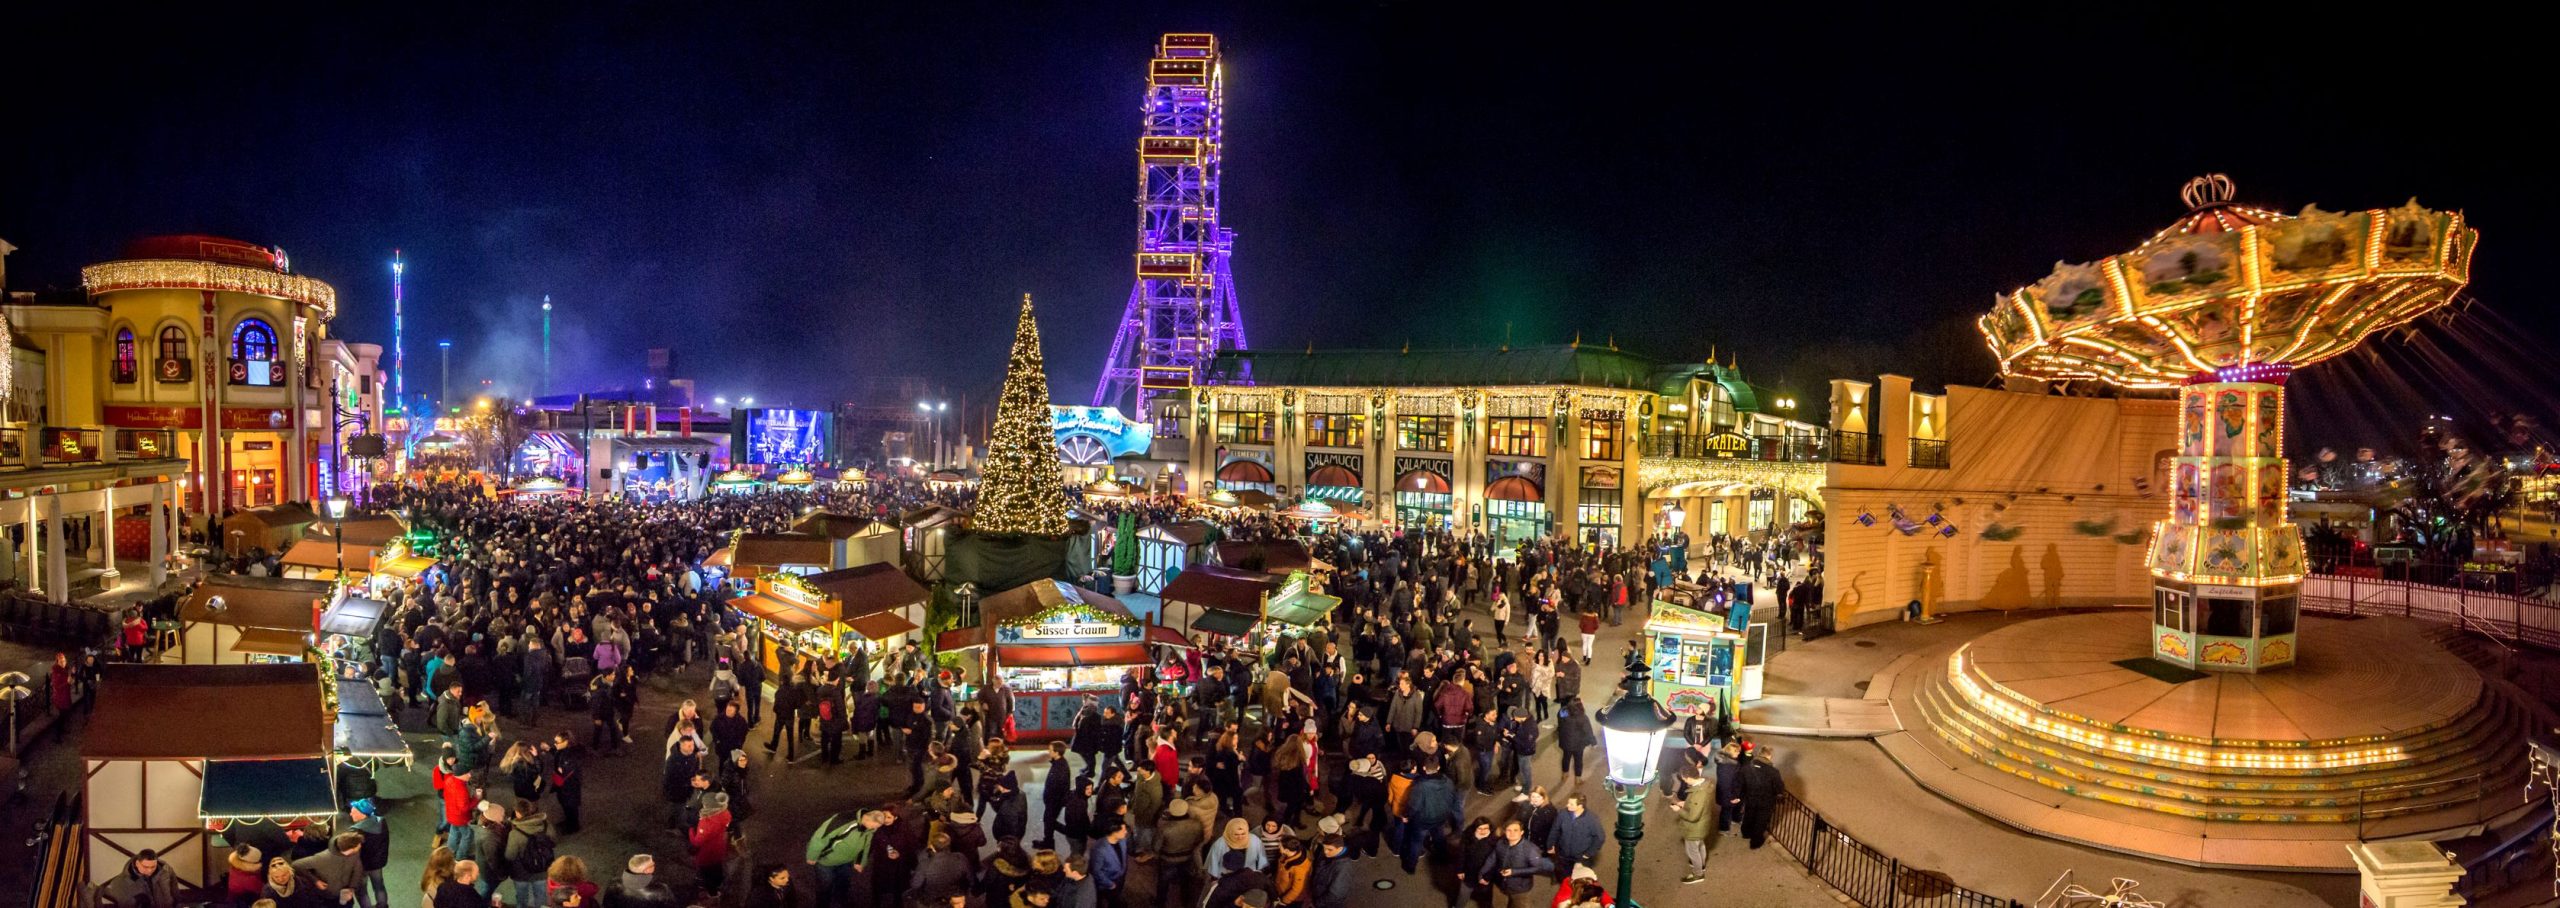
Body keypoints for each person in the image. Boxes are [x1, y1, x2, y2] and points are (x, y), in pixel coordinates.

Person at [805, 808, 880, 908]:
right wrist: (812, 855)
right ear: (866, 818)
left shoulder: (869, 829)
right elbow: (820, 837)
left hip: (846, 862)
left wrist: (860, 862)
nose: (874, 829)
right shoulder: (843, 821)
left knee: (843, 885)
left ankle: (840, 902)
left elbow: (866, 845)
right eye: (874, 826)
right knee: (825, 887)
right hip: (826, 862)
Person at [1480, 819, 1554, 908]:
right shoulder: (1500, 843)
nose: (1512, 833)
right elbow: (1491, 859)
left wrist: (1514, 872)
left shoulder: (1531, 849)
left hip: (1520, 889)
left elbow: (1537, 868)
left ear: (1522, 832)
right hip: (1500, 884)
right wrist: (1482, 873)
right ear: (1505, 832)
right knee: (1498, 905)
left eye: (1515, 830)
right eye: (1509, 830)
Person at [290, 832, 365, 907]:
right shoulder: (321, 858)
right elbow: (296, 865)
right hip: (327, 896)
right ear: (350, 849)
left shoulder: (355, 853)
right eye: (358, 845)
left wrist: (352, 888)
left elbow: (357, 869)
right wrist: (315, 880)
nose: (360, 846)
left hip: (346, 894)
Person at [1546, 794, 1603, 882]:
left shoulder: (1591, 819)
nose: (1567, 805)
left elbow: (1599, 838)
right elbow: (1555, 829)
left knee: (1580, 881)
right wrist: (1550, 845)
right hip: (1564, 854)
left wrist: (1588, 854)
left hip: (1580, 857)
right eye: (1568, 803)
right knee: (1564, 877)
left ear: (1580, 806)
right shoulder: (1563, 814)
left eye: (1571, 804)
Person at [99, 848, 180, 908]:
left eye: (153, 867)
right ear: (137, 863)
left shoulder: (166, 870)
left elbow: (174, 890)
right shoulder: (122, 881)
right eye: (145, 867)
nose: (149, 870)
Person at [691, 791, 736, 899]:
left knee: (707, 874)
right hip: (720, 847)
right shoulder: (726, 813)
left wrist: (691, 832)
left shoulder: (706, 822)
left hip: (707, 854)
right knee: (717, 867)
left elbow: (697, 841)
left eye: (704, 803)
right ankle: (719, 883)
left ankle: (713, 895)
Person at [1739, 746, 1786, 849]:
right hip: (1766, 799)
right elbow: (1779, 786)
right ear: (1769, 755)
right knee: (1761, 820)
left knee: (1749, 814)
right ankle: (1755, 842)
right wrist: (1780, 795)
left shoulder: (1747, 767)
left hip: (1750, 797)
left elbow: (1741, 782)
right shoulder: (1773, 771)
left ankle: (1746, 833)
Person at [349, 801, 393, 908]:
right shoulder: (381, 821)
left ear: (362, 814)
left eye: (353, 811)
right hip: (378, 863)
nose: (350, 814)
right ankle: (382, 905)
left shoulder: (356, 831)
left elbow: (353, 853)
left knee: (361, 891)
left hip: (362, 866)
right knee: (379, 886)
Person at [1675, 764, 1713, 884]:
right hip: (1703, 824)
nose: (1684, 780)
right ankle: (1701, 865)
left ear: (1689, 778)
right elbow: (1698, 806)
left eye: (1684, 778)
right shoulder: (1706, 784)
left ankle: (1698, 874)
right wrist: (1685, 804)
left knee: (1692, 851)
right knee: (1701, 845)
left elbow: (1693, 817)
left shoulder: (1699, 794)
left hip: (1695, 828)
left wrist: (1679, 810)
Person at [1088, 823, 1129, 908]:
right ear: (1114, 832)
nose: (1126, 832)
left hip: (1119, 879)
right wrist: (1110, 884)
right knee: (1101, 901)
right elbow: (1096, 871)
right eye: (1123, 830)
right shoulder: (1099, 848)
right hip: (1106, 882)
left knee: (1114, 900)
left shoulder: (1123, 840)